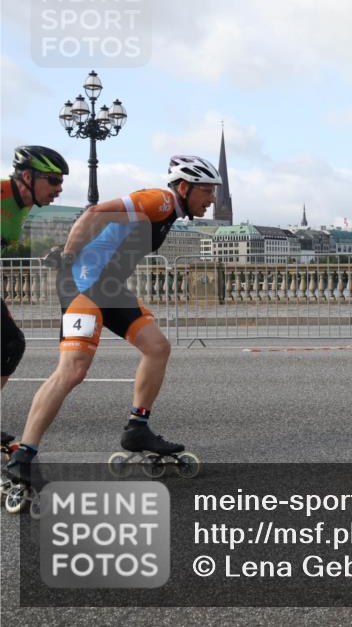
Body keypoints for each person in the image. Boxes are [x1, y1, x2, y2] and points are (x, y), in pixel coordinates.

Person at [3, 155, 221, 487]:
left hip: (109, 288)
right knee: (73, 370)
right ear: (183, 187)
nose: (212, 199)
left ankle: (137, 428)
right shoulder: (160, 201)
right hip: (83, 286)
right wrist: (69, 254)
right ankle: (24, 456)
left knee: (157, 347)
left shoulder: (170, 213)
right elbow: (94, 213)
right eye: (206, 190)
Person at [1, 146, 68, 452]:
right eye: (53, 180)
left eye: (61, 181)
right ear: (27, 176)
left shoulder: (25, 206)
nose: (59, 188)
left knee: (9, 345)